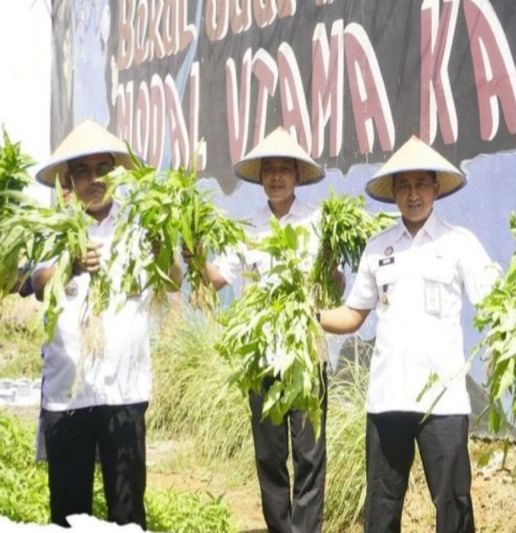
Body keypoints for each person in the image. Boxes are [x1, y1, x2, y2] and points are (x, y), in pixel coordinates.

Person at [318, 136, 499, 533]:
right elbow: (353, 314)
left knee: (453, 503)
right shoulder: (378, 248)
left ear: (435, 187)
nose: (413, 194)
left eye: (421, 184)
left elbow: (496, 303)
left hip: (443, 401)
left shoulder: (459, 244)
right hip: (388, 399)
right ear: (394, 193)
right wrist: (310, 317)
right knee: (382, 506)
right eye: (404, 185)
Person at [31, 119, 180, 528]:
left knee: (127, 511)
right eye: (83, 170)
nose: (94, 179)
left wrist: (168, 249)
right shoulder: (53, 229)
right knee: (69, 512)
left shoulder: (140, 224)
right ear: (69, 180)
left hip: (123, 390)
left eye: (103, 168)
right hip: (68, 394)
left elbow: (174, 280)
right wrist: (71, 262)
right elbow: (37, 281)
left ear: (116, 173)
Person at [190, 126, 329, 533]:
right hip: (261, 357)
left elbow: (334, 286)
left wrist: (333, 273)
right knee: (269, 454)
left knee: (309, 452)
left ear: (298, 176)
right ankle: (280, 528)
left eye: (285, 169)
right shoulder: (247, 228)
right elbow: (217, 278)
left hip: (307, 352)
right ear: (261, 177)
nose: (276, 177)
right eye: (269, 170)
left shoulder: (319, 224)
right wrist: (194, 253)